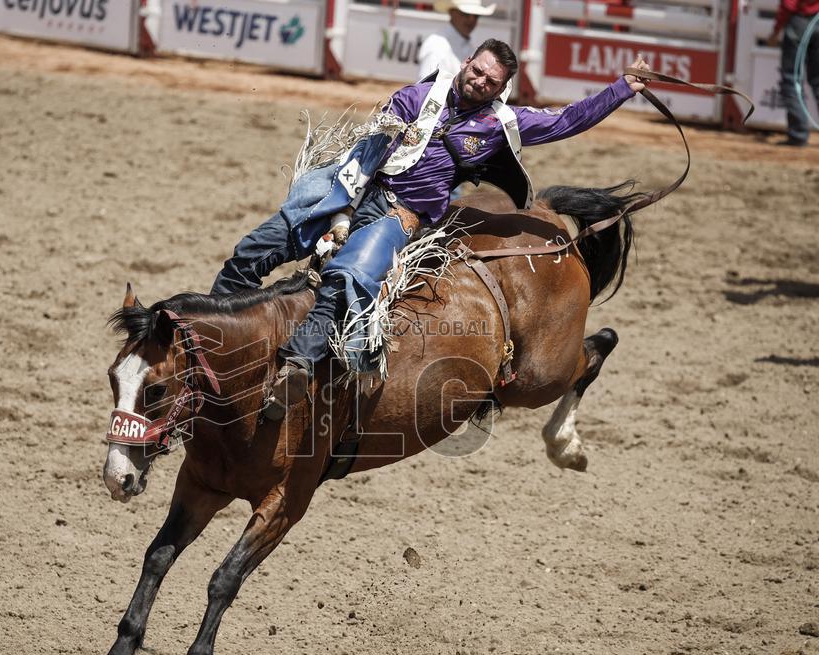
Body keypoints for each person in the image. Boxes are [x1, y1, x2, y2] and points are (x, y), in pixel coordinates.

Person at [210, 40, 649, 419]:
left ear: (501, 89)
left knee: (348, 278)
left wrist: (620, 89)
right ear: (466, 65)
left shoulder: (500, 125)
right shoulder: (416, 97)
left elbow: (566, 119)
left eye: (491, 81)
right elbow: (367, 152)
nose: (480, 82)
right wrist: (341, 211)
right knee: (255, 249)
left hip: (398, 217)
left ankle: (297, 364)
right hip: (348, 192)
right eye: (478, 71)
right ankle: (212, 329)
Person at [767, 0, 819, 146]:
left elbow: (789, 4)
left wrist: (776, 30)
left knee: (791, 80)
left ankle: (798, 134)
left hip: (800, 21)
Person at [417, 0, 497, 82]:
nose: (471, 20)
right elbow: (426, 88)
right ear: (452, 12)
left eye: (476, 16)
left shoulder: (468, 46)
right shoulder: (437, 45)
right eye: (466, 14)